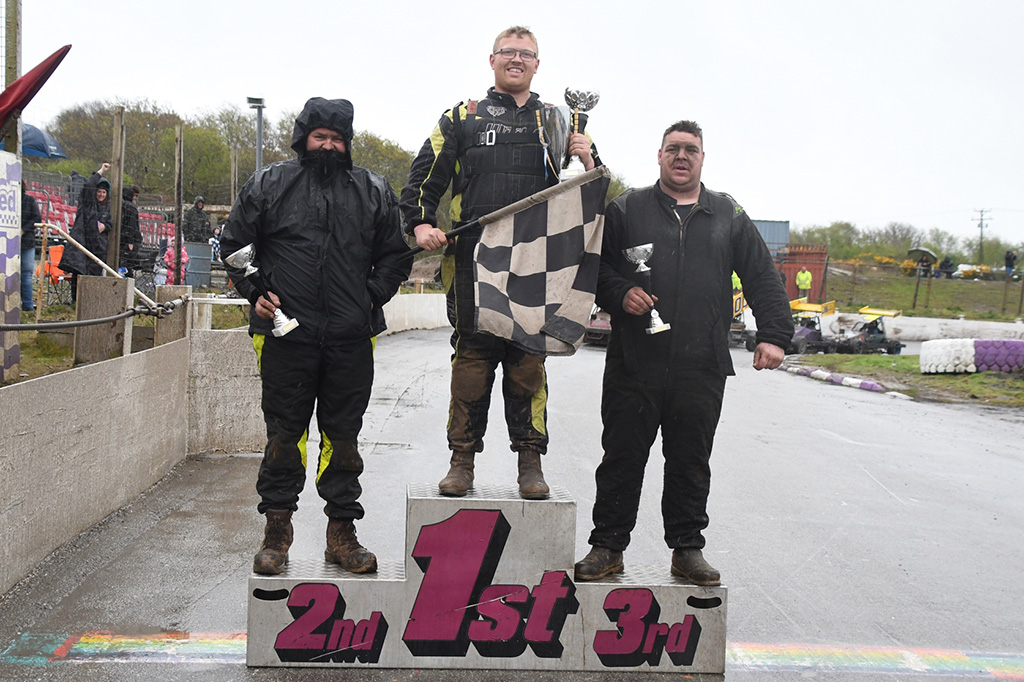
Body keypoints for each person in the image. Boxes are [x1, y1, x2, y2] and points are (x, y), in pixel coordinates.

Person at [573, 120, 793, 586]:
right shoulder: (627, 208)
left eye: (690, 150)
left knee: (690, 461)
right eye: (673, 148)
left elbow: (761, 275)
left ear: (702, 159)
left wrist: (774, 334)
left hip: (701, 364)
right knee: (622, 457)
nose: (681, 156)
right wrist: (620, 293)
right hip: (635, 361)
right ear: (659, 156)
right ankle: (608, 546)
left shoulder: (727, 214)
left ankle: (687, 549)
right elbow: (593, 266)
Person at [400, 25, 600, 500]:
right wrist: (421, 224)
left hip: (537, 262)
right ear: (492, 60)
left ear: (537, 65)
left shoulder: (559, 119)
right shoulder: (461, 116)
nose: (516, 60)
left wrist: (588, 159)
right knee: (472, 358)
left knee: (528, 360)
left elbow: (589, 190)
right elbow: (422, 178)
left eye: (525, 54)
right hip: (474, 257)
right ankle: (461, 461)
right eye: (508, 52)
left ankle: (530, 462)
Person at [221, 97, 411, 576]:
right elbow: (235, 246)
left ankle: (341, 533)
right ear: (303, 138)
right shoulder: (269, 184)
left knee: (343, 438)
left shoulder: (373, 190)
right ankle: (276, 532)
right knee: (284, 436)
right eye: (319, 136)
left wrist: (370, 297)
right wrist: (254, 291)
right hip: (285, 334)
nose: (327, 145)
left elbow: (395, 256)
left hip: (351, 336)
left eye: (336, 138)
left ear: (348, 142)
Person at [59, 163, 113, 302]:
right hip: (82, 243)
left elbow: (110, 223)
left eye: (104, 192)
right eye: (99, 191)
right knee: (79, 273)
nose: (101, 195)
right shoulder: (87, 203)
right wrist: (101, 171)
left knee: (94, 275)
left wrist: (105, 226)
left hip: (98, 246)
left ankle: (91, 302)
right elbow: (88, 186)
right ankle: (76, 301)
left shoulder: (107, 208)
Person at [20, 183, 42, 311]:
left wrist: (24, 229)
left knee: (27, 274)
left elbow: (37, 217)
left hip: (27, 242)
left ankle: (27, 305)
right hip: (7, 243)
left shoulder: (29, 200)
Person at [120, 185, 143, 271]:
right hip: (130, 240)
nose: (135, 198)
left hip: (123, 238)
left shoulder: (121, 205)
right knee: (128, 264)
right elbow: (132, 225)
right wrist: (130, 241)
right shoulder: (131, 208)